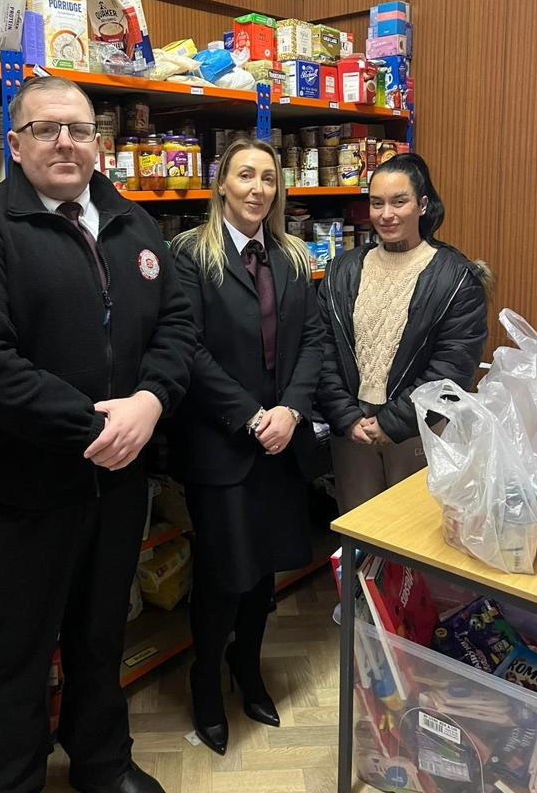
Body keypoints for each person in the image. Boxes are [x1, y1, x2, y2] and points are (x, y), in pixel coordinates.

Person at [0, 76, 195, 793]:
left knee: (99, 634)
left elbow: (177, 327)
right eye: (45, 130)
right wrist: (96, 427)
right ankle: (11, 782)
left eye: (78, 128)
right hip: (13, 494)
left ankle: (100, 761)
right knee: (11, 655)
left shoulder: (135, 226)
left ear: (99, 143)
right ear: (14, 145)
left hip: (113, 484)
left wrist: (149, 402)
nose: (65, 142)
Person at [171, 138, 324, 756]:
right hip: (221, 444)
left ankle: (248, 666)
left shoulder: (290, 255)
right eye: (245, 176)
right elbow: (188, 348)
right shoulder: (189, 256)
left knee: (262, 574)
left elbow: (313, 339)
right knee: (223, 575)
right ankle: (205, 679)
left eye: (268, 177)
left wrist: (290, 409)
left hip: (281, 443)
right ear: (221, 184)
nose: (258, 188)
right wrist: (251, 414)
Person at [318, 152, 492, 513]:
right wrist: (346, 416)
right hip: (351, 430)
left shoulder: (456, 278)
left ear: (422, 204)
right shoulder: (342, 270)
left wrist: (391, 423)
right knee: (359, 530)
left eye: (400, 201)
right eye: (377, 203)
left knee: (413, 536)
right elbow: (322, 348)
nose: (387, 214)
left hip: (418, 429)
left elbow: (452, 367)